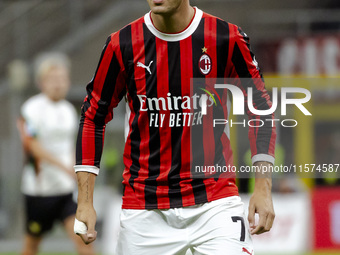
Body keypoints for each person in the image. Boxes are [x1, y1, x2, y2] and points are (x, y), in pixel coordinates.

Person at [74, 0, 276, 254]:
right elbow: (93, 117)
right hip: (145, 210)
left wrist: (263, 188)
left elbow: (260, 106)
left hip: (215, 203)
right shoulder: (122, 43)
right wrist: (85, 201)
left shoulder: (226, 37)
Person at [18, 53, 95, 255]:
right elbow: (31, 145)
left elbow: (69, 148)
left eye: (62, 78)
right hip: (39, 192)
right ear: (41, 82)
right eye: (53, 79)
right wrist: (64, 168)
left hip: (65, 192)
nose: (58, 84)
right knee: (31, 246)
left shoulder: (69, 111)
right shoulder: (31, 109)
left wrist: (76, 173)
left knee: (84, 240)